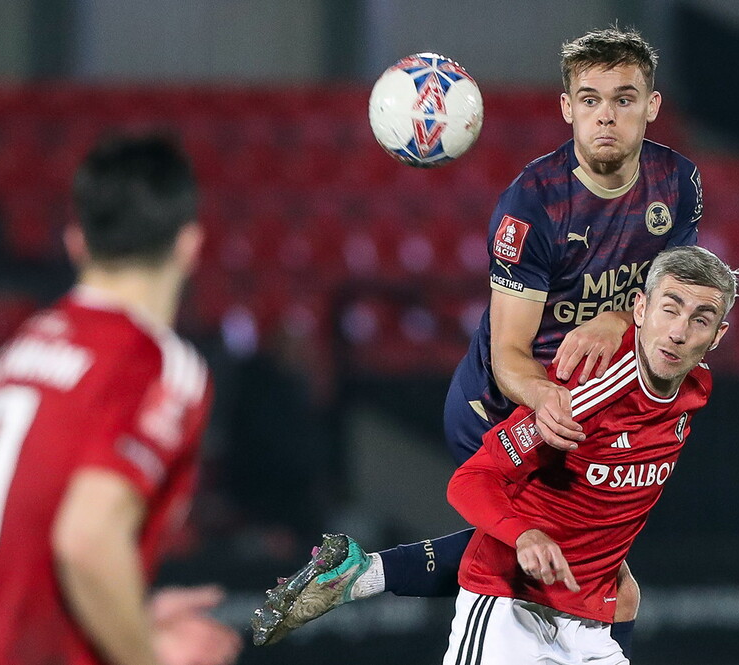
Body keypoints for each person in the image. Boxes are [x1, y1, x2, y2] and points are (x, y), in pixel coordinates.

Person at [253, 25, 704, 658]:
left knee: (605, 577)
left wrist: (616, 324)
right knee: (580, 563)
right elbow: (510, 353)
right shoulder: (534, 207)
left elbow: (668, 294)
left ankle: (362, 575)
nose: (607, 115)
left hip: (591, 396)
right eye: (591, 99)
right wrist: (549, 400)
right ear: (567, 108)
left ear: (652, 107)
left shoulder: (677, 184)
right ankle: (376, 580)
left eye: (624, 99)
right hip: (504, 399)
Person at [0, 134, 243, 665]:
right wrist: (146, 655)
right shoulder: (159, 366)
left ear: (75, 241)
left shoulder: (20, 351)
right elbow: (87, 540)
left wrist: (124, 614)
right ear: (190, 244)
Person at [442, 245, 737, 664]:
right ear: (640, 309)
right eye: (669, 310)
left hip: (589, 625)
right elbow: (470, 480)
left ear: (717, 335)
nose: (679, 332)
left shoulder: (696, 388)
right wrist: (523, 535)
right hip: (511, 607)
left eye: (699, 321)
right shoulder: (587, 389)